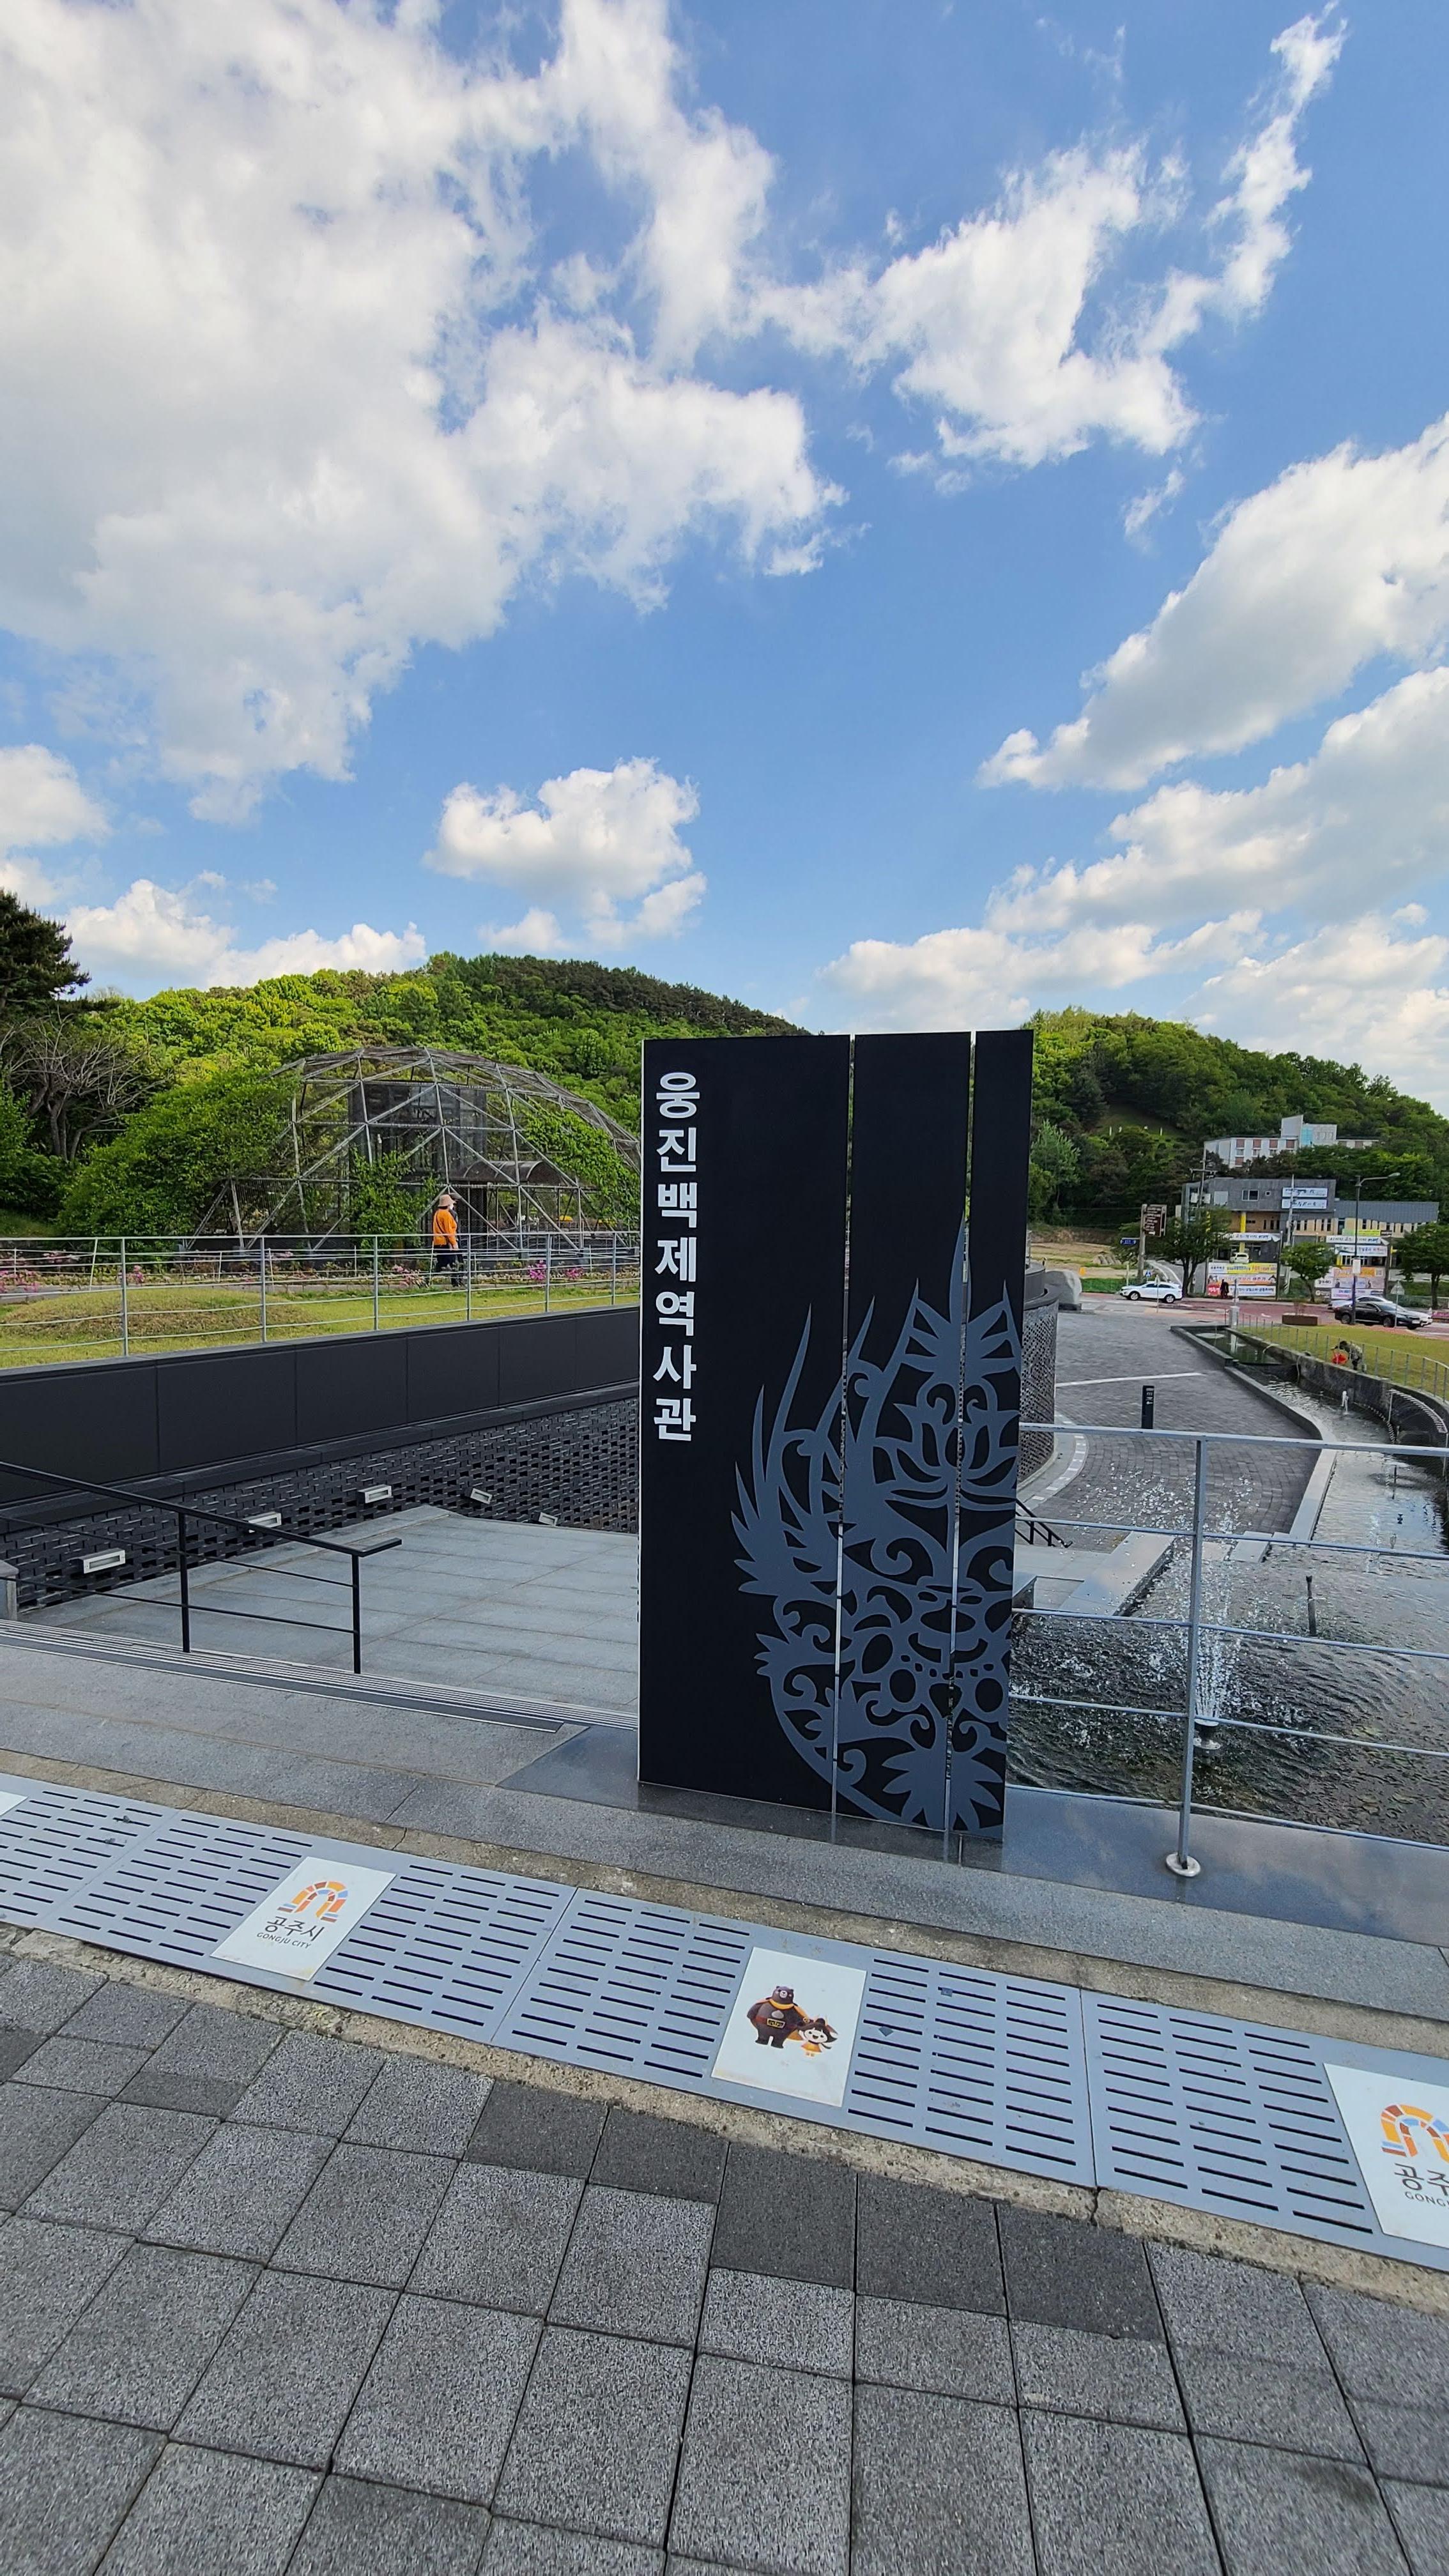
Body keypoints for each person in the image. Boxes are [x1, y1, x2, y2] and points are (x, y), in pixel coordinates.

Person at [430, 1191, 461, 1284]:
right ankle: (455, 1282)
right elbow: (449, 1231)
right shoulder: (446, 1215)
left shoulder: (437, 1213)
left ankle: (429, 1278)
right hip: (445, 1243)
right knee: (453, 1262)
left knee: (441, 1262)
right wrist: (454, 1243)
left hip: (438, 1242)